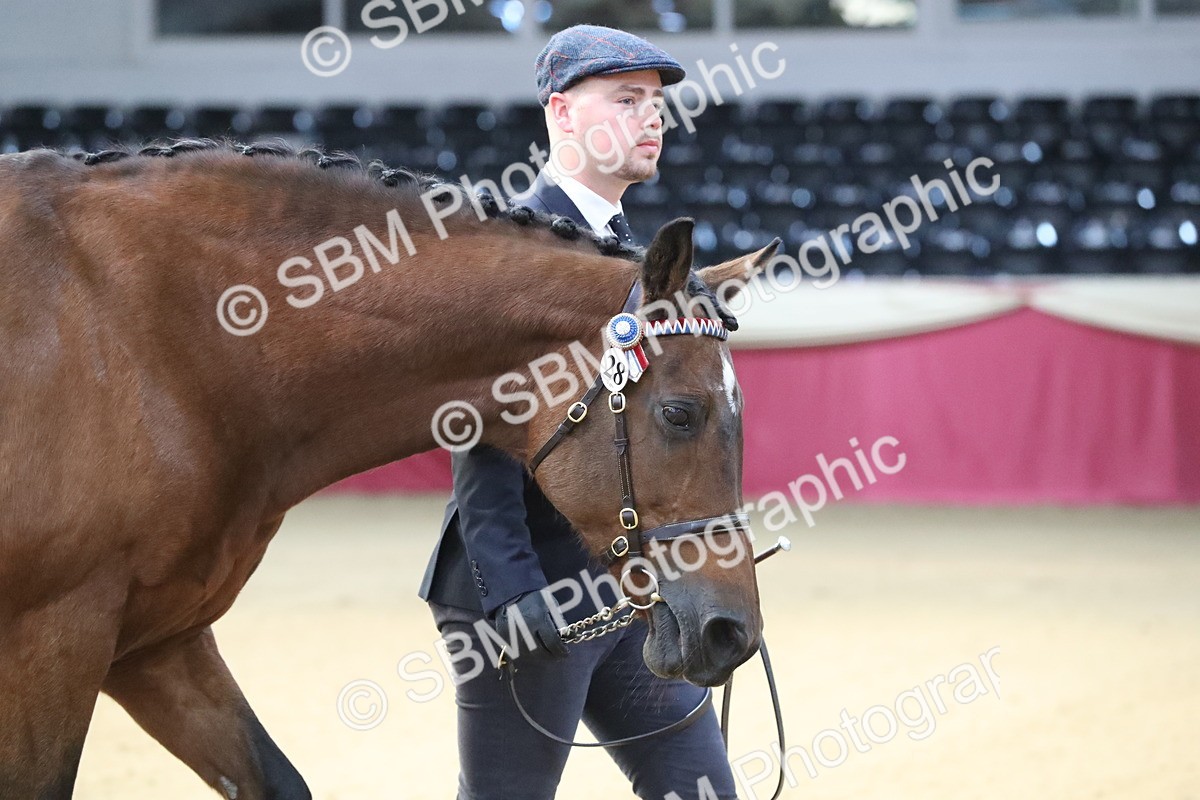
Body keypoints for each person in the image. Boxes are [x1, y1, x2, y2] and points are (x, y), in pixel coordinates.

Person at [417, 24, 740, 800]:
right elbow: (480, 437)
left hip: (625, 594)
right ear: (562, 115)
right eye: (627, 99)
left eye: (657, 104)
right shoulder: (513, 253)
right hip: (524, 598)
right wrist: (516, 598)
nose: (652, 118)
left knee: (702, 790)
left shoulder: (636, 258)